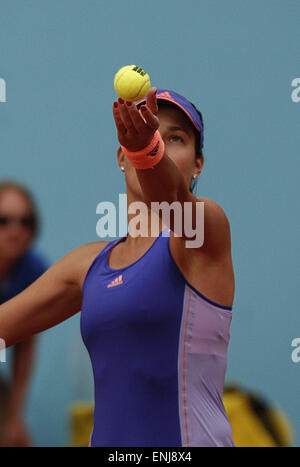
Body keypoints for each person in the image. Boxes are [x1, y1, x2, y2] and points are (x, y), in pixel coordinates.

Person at [0, 88, 235, 447]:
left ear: (198, 164)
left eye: (175, 138)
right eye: (150, 134)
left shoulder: (205, 232)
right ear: (120, 157)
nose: (160, 145)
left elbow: (171, 199)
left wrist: (146, 151)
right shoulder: (88, 264)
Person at [0, 182, 48, 446]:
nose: (15, 231)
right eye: (3, 220)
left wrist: (15, 416)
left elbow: (25, 344)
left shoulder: (32, 270)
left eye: (25, 221)